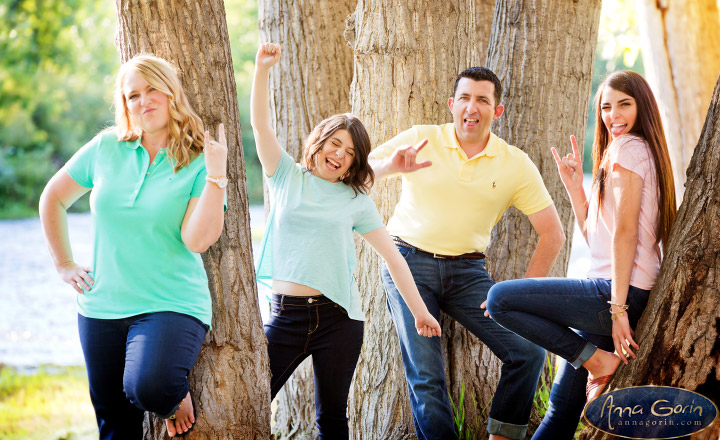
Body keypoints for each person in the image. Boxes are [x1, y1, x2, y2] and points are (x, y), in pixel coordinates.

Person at [251, 42, 442, 439]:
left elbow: (393, 258)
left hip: (339, 318)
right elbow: (260, 127)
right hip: (285, 316)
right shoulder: (286, 175)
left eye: (350, 153)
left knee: (333, 419)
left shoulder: (356, 200)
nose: (339, 154)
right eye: (334, 143)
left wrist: (421, 312)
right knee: (251, 400)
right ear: (318, 142)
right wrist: (262, 70)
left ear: (354, 165)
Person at [368, 66, 565, 440]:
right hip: (407, 264)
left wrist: (520, 296)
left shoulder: (514, 163)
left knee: (528, 352)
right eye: (464, 98)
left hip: (468, 274)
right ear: (451, 104)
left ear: (497, 110)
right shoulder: (421, 139)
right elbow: (358, 172)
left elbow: (552, 233)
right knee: (427, 376)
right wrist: (390, 166)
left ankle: (502, 436)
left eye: (482, 100)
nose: (471, 108)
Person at [39, 54, 227, 439]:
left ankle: (172, 397)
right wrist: (64, 264)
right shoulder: (106, 148)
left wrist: (216, 175)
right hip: (100, 307)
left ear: (172, 91)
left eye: (153, 88)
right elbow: (53, 198)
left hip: (169, 304)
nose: (145, 101)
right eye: (133, 95)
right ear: (124, 105)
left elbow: (198, 240)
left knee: (151, 386)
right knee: (114, 427)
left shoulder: (197, 159)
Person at [485, 70, 677, 438]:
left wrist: (618, 310)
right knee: (562, 409)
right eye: (606, 107)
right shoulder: (633, 152)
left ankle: (598, 360)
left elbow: (626, 234)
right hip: (616, 292)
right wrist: (576, 190)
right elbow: (601, 240)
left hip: (614, 294)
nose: (613, 115)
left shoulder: (628, 148)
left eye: (624, 104)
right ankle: (594, 358)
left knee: (499, 300)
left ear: (643, 107)